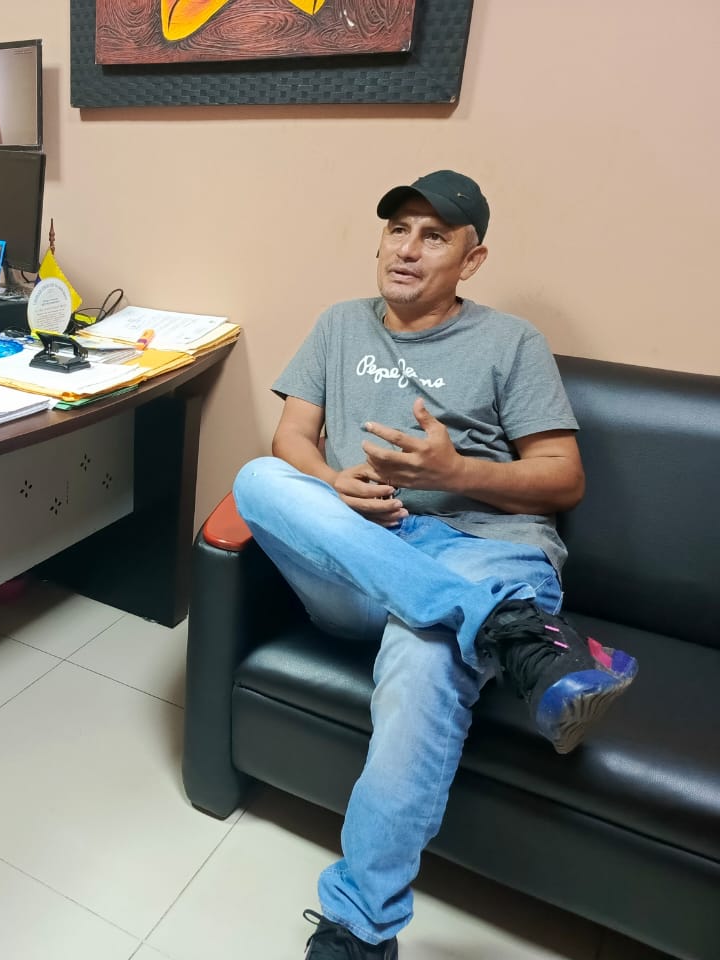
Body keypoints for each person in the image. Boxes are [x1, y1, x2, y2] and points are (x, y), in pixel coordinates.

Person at [231, 171, 639, 959]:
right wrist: (332, 484)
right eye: (398, 230)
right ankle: (509, 632)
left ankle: (359, 930)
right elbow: (291, 442)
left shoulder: (511, 342)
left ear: (471, 260)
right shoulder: (339, 324)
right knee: (258, 479)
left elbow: (564, 478)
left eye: (434, 236)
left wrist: (456, 473)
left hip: (484, 550)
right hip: (365, 555)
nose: (407, 249)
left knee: (424, 659)